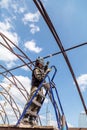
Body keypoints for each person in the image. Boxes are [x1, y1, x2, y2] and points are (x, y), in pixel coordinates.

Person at [20, 57, 51, 126]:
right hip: (35, 87)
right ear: (39, 63)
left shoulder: (41, 70)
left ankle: (32, 118)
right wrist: (46, 72)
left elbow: (43, 77)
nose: (42, 65)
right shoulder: (36, 69)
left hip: (40, 88)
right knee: (32, 101)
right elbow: (40, 78)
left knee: (38, 103)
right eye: (42, 64)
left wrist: (45, 70)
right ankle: (25, 117)